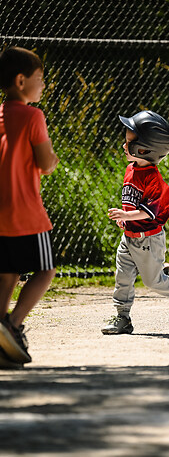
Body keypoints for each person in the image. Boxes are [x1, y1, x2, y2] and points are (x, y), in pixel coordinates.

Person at [101, 110, 169, 335]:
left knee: (153, 282)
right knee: (122, 276)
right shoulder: (130, 169)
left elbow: (148, 212)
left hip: (148, 240)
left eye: (128, 142)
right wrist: (125, 220)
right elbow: (132, 203)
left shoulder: (155, 180)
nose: (124, 146)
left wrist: (126, 216)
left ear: (143, 150)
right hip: (129, 238)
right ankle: (122, 317)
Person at [0, 46, 59, 367]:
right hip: (26, 213)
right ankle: (14, 325)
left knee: (6, 273)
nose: (44, 85)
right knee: (45, 269)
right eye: (40, 78)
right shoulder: (33, 115)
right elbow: (46, 162)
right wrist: (51, 160)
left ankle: (0, 336)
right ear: (21, 81)